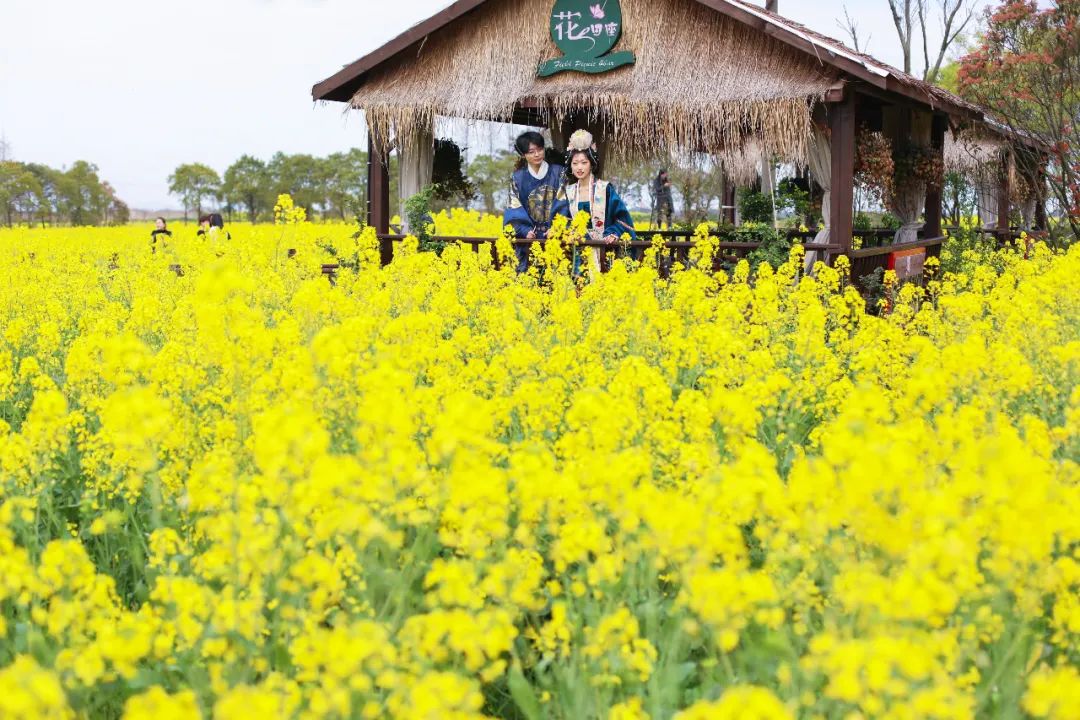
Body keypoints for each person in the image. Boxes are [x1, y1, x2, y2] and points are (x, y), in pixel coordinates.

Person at [555, 129, 637, 274]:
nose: (579, 167)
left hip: (605, 250)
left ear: (591, 164)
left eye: (583, 162)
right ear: (571, 166)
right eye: (575, 163)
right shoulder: (567, 192)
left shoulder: (605, 189)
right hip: (578, 251)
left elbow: (622, 218)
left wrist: (613, 233)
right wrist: (569, 231)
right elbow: (562, 219)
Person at [503, 131, 565, 273]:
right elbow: (513, 207)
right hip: (528, 239)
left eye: (540, 150)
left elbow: (564, 203)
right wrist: (524, 230)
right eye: (531, 152)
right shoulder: (517, 178)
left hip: (554, 237)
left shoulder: (558, 172)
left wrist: (557, 227)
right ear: (523, 154)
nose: (537, 154)